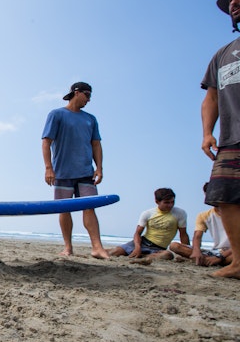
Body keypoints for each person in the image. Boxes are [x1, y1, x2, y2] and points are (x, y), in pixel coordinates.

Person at [200, 0, 240, 279]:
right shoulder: (222, 54)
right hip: (231, 139)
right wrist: (207, 132)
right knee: (223, 196)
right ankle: (238, 262)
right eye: (231, 3)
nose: (234, 5)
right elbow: (211, 97)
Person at [41, 82, 109, 259]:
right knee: (64, 209)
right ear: (76, 92)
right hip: (62, 172)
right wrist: (48, 168)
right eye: (87, 95)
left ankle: (97, 247)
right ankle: (68, 247)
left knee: (89, 208)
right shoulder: (57, 114)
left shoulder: (90, 119)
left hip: (86, 171)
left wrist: (99, 168)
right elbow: (46, 141)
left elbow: (96, 144)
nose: (89, 99)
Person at [109, 188, 190, 265]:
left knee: (168, 255)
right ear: (157, 201)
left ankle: (142, 259)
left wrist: (186, 253)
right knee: (114, 252)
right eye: (166, 202)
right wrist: (137, 248)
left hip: (158, 248)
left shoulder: (180, 213)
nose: (170, 205)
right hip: (142, 243)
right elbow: (137, 233)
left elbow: (183, 234)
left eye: (172, 202)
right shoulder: (148, 213)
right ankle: (99, 250)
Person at [169, 183, 232, 266]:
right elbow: (197, 236)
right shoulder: (204, 215)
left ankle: (215, 261)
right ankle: (209, 260)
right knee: (174, 246)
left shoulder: (235, 214)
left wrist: (220, 257)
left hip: (233, 252)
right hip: (217, 252)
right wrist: (196, 251)